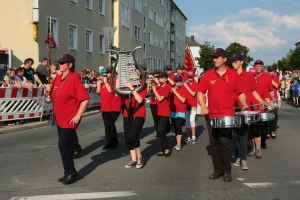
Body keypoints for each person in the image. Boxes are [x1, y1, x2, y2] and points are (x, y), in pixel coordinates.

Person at [197, 48, 247, 182]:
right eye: (213, 57)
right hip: (211, 115)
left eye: (217, 57)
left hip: (226, 114)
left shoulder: (233, 75)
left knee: (224, 141)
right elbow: (200, 92)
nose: (214, 59)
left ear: (224, 59)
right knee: (213, 143)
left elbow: (240, 92)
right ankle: (217, 170)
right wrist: (203, 106)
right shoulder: (208, 74)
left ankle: (227, 170)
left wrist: (243, 103)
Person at [45, 54, 90, 185]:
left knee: (62, 144)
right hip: (59, 118)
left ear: (70, 65)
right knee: (65, 146)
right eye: (59, 63)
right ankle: (67, 172)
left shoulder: (74, 77)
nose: (60, 65)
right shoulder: (58, 78)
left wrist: (78, 115)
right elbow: (51, 98)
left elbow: (85, 98)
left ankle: (72, 172)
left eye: (62, 63)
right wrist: (47, 91)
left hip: (70, 119)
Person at [230, 54, 266, 170]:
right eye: (232, 62)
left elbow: (253, 91)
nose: (233, 64)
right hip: (233, 109)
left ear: (241, 62)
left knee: (244, 134)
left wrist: (261, 101)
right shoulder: (229, 75)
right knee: (235, 136)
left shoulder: (249, 76)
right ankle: (238, 156)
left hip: (246, 110)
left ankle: (243, 159)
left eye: (235, 62)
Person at [122, 67, 147, 169]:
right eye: (132, 72)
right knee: (128, 138)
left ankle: (140, 157)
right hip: (127, 113)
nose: (134, 73)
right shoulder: (124, 84)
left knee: (133, 135)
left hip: (139, 112)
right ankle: (133, 159)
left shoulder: (143, 84)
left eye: (136, 71)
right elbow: (116, 94)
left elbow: (140, 99)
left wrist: (132, 88)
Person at [247, 68, 273, 159]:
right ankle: (252, 148)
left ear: (257, 75)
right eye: (251, 76)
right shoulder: (245, 85)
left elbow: (266, 96)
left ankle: (258, 150)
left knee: (257, 130)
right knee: (249, 132)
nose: (253, 77)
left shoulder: (262, 85)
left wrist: (269, 104)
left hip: (258, 111)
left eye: (254, 75)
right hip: (247, 111)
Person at [97, 66, 121, 149]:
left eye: (110, 72)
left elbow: (111, 90)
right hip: (105, 107)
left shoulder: (115, 82)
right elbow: (98, 92)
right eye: (108, 73)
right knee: (107, 125)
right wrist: (99, 83)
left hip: (114, 107)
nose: (109, 74)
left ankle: (114, 141)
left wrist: (106, 82)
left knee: (111, 123)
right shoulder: (104, 83)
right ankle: (108, 141)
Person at [253, 60, 275, 150]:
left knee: (263, 124)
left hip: (264, 102)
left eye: (259, 66)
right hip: (252, 103)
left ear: (263, 67)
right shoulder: (250, 76)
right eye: (256, 66)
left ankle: (263, 142)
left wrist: (272, 98)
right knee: (253, 125)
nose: (258, 67)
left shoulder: (266, 76)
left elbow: (270, 89)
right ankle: (253, 143)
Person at [152, 72, 172, 157]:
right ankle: (162, 149)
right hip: (157, 111)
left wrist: (154, 90)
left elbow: (160, 99)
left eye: (162, 77)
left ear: (166, 79)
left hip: (164, 111)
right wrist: (151, 89)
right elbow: (154, 98)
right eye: (159, 78)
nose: (160, 79)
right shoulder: (158, 87)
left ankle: (166, 148)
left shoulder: (167, 87)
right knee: (160, 131)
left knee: (161, 130)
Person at [170, 74, 189, 151]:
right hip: (173, 110)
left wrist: (175, 93)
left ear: (181, 82)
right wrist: (171, 92)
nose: (178, 83)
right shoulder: (172, 89)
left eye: (179, 81)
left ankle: (179, 143)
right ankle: (178, 142)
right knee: (175, 127)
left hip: (181, 110)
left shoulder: (184, 89)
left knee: (178, 126)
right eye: (176, 81)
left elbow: (183, 100)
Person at [183, 71, 198, 144]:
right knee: (187, 121)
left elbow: (193, 93)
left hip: (193, 104)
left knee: (192, 120)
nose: (189, 79)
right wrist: (185, 85)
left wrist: (187, 87)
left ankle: (193, 136)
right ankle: (188, 137)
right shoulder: (186, 84)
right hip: (186, 104)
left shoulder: (196, 84)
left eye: (191, 77)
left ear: (193, 77)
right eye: (188, 77)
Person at [148, 69, 161, 139]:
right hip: (153, 102)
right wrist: (149, 84)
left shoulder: (162, 82)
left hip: (159, 102)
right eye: (156, 74)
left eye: (159, 74)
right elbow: (148, 91)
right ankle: (158, 133)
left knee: (160, 118)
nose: (158, 76)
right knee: (155, 119)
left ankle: (161, 131)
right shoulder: (152, 82)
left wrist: (158, 82)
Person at [267, 66, 280, 139]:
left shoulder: (275, 77)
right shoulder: (265, 77)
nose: (272, 72)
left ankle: (273, 131)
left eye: (273, 71)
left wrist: (269, 79)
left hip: (274, 99)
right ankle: (268, 131)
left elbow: (276, 85)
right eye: (270, 71)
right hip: (266, 99)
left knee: (274, 115)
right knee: (267, 116)